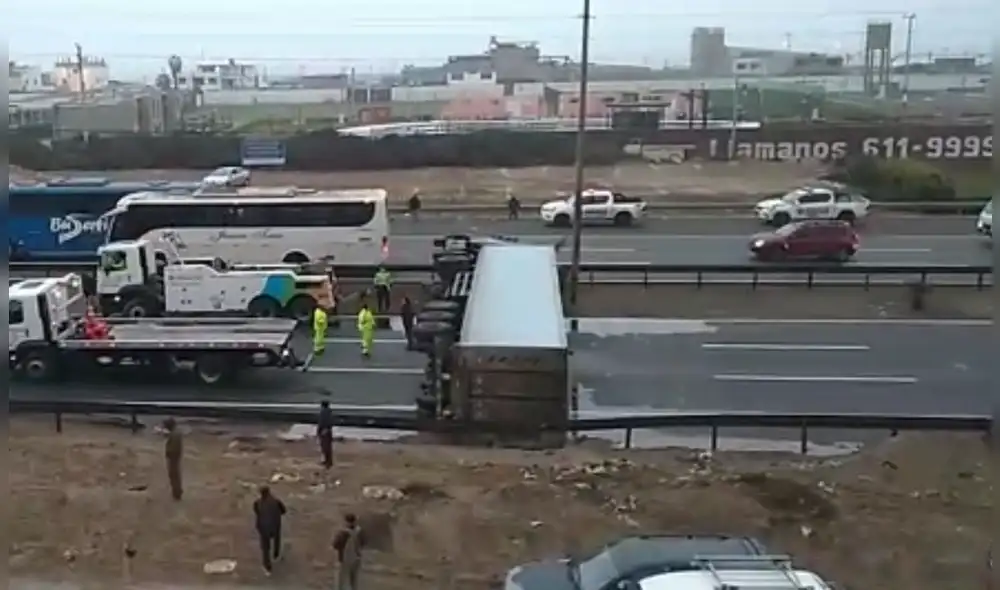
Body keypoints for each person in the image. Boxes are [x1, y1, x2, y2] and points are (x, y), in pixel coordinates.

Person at [253, 485, 287, 575]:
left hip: (263, 528)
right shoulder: (276, 501)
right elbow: (284, 511)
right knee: (276, 539)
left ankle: (267, 567)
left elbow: (256, 512)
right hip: (275, 525)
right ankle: (276, 554)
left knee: (265, 548)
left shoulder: (257, 503)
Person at [332, 513, 365, 590]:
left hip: (344, 559)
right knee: (354, 580)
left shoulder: (342, 533)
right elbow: (363, 543)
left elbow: (335, 544)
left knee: (341, 581)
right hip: (356, 558)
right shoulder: (360, 532)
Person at [163, 418, 183, 500]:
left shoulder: (174, 434)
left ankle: (177, 492)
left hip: (173, 456)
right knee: (175, 474)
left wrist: (168, 454)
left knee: (173, 475)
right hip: (175, 456)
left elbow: (173, 447)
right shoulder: (176, 433)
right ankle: (177, 491)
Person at [317, 401, 334, 468]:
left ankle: (327, 462)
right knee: (327, 447)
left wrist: (320, 431)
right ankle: (328, 461)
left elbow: (322, 422)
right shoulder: (330, 412)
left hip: (324, 431)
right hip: (327, 431)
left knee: (325, 447)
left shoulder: (323, 413)